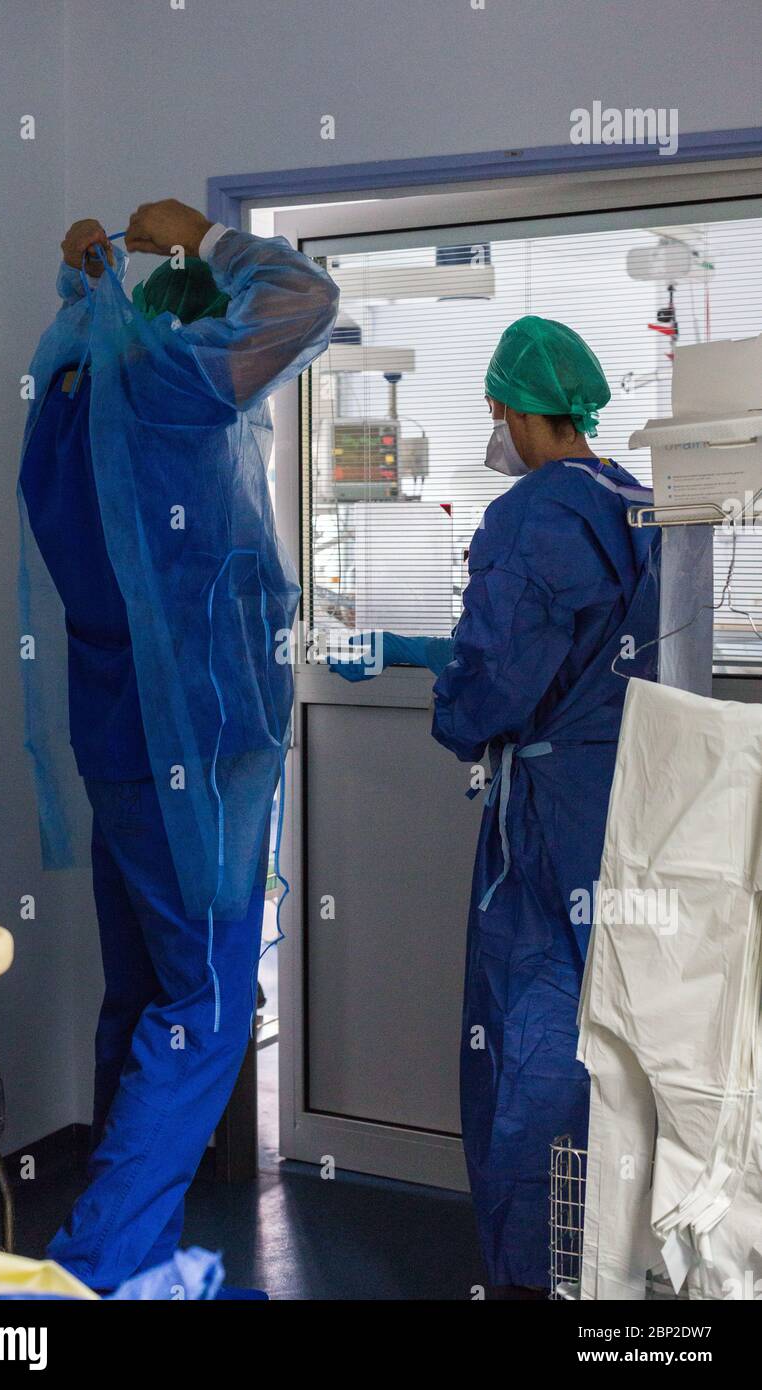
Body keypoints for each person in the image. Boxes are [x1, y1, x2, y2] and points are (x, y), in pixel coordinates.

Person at [19, 201, 339, 1292]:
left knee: (140, 991)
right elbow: (304, 299)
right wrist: (202, 236)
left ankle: (131, 1240)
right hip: (190, 758)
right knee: (204, 1004)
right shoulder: (167, 390)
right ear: (189, 332)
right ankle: (100, 1260)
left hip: (117, 742)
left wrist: (93, 276)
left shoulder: (69, 394)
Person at [331, 316, 660, 1294]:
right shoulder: (634, 501)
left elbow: (492, 688)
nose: (494, 429)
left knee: (529, 1036)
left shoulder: (531, 516)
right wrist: (414, 648)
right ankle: (614, 1262)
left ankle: (532, 1270)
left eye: (494, 411)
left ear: (520, 412)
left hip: (552, 818)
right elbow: (579, 645)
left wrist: (445, 688)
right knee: (620, 1036)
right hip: (634, 801)